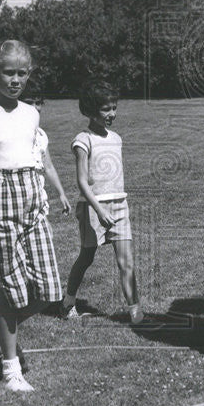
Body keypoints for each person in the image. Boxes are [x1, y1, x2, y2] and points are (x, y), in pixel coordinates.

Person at [0, 40, 65, 392]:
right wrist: (1, 183)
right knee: (12, 290)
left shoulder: (31, 113)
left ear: (29, 74)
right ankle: (10, 368)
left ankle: (2, 325)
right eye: (8, 72)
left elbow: (35, 155)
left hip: (33, 200)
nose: (15, 79)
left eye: (22, 73)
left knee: (49, 289)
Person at [61, 80, 144, 325]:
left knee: (126, 261)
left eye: (114, 108)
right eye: (105, 109)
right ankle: (67, 303)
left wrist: (113, 209)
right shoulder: (82, 140)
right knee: (86, 257)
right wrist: (99, 211)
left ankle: (135, 311)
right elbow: (82, 183)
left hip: (119, 206)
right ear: (90, 110)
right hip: (92, 208)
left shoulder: (116, 138)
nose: (112, 114)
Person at [0, 86, 71, 286]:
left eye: (39, 103)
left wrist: (61, 194)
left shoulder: (40, 135)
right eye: (31, 103)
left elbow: (48, 166)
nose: (36, 108)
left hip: (37, 195)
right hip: (12, 195)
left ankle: (28, 278)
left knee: (44, 235)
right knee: (11, 241)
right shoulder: (8, 132)